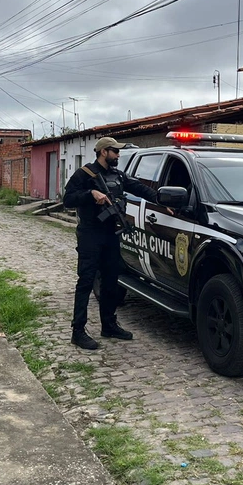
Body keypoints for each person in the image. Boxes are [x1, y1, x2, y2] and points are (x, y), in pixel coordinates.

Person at [63, 136, 158, 350]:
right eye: (115, 151)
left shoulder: (117, 175)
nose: (118, 155)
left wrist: (162, 200)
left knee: (110, 282)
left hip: (111, 234)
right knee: (86, 281)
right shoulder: (85, 174)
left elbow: (139, 188)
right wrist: (90, 193)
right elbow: (67, 199)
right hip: (90, 235)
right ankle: (78, 331)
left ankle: (109, 324)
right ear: (104, 151)